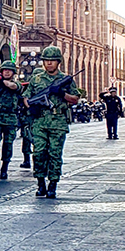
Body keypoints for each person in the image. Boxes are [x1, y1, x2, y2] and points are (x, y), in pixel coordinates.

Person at [24, 45, 80, 199]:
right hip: (40, 121)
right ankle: (40, 182)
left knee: (55, 154)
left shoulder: (65, 80)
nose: (49, 63)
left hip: (58, 121)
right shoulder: (36, 79)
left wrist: (62, 93)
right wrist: (32, 106)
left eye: (52, 60)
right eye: (46, 60)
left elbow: (75, 99)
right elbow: (26, 97)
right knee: (39, 153)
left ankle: (53, 184)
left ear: (58, 62)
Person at [0, 60, 22, 180]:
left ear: (14, 73)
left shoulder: (17, 84)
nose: (7, 72)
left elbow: (12, 86)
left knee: (8, 145)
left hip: (10, 118)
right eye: (4, 70)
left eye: (9, 70)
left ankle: (4, 169)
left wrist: (2, 80)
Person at [17, 95, 33, 168]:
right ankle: (27, 160)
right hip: (27, 117)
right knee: (26, 139)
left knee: (27, 139)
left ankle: (27, 161)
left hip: (31, 117)